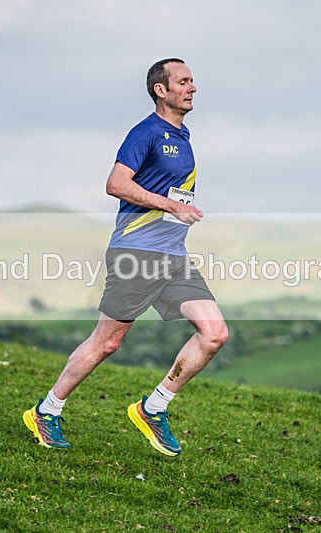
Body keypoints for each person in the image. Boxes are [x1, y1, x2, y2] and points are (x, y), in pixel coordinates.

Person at [23, 58, 228, 456]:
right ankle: (46, 411)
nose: (193, 87)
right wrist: (170, 205)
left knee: (215, 334)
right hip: (137, 253)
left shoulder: (182, 136)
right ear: (161, 90)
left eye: (192, 81)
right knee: (107, 343)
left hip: (173, 257)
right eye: (183, 81)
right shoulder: (146, 132)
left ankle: (153, 408)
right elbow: (116, 184)